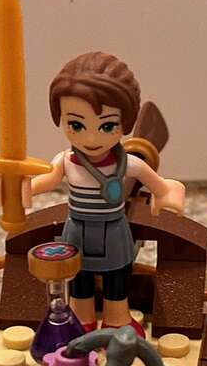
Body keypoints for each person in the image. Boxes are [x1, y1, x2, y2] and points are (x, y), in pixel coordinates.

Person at [24, 51, 185, 335]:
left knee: (117, 277)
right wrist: (22, 188)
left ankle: (117, 319)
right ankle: (81, 318)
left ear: (126, 122)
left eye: (107, 126)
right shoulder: (66, 161)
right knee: (78, 276)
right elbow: (46, 180)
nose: (91, 138)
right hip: (77, 228)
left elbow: (159, 184)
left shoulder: (127, 164)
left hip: (113, 230)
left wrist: (166, 195)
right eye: (76, 125)